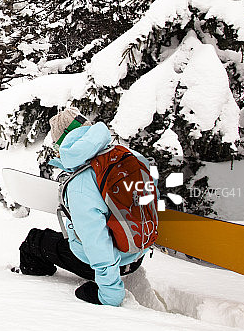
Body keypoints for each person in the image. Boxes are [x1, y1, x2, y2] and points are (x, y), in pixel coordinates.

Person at [16, 106, 151, 307]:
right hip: (135, 255)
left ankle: (34, 283)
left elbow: (97, 242)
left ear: (64, 141)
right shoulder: (127, 156)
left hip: (106, 265)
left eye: (56, 143)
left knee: (34, 240)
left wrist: (110, 294)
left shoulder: (81, 182)